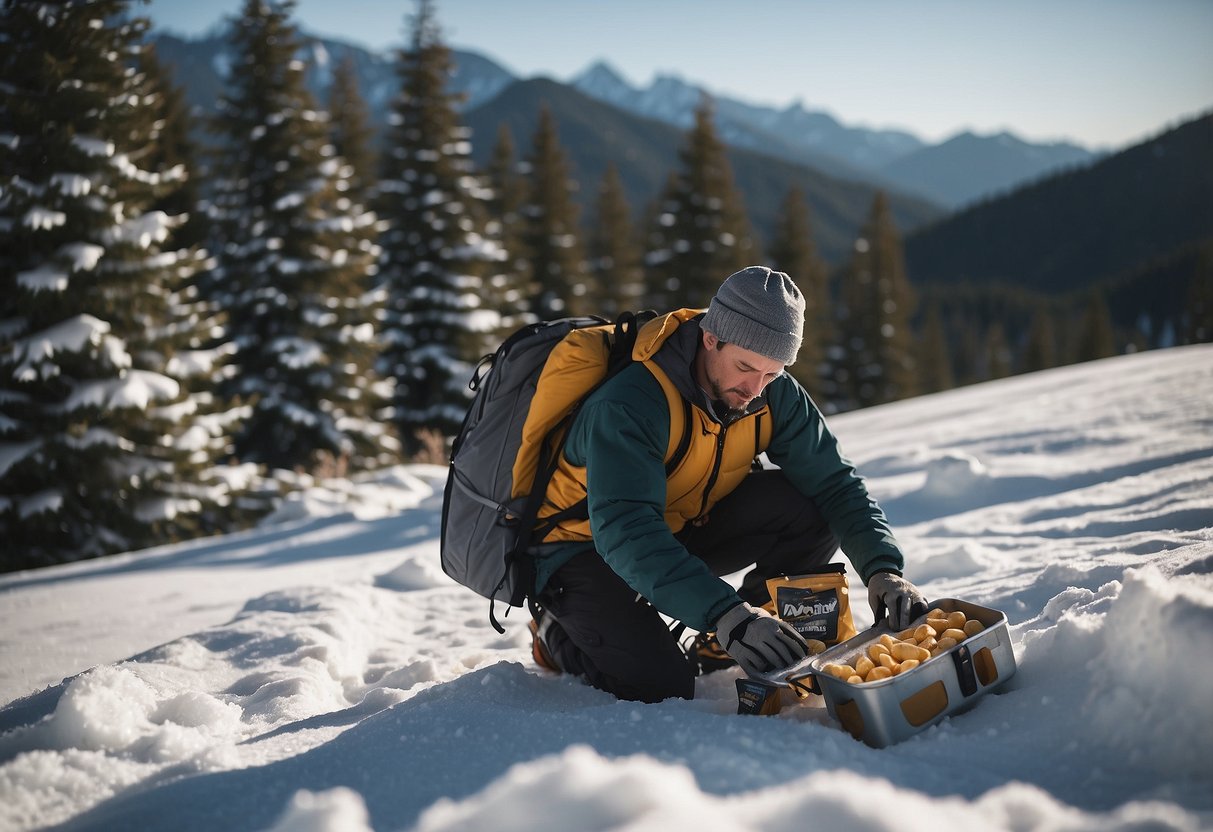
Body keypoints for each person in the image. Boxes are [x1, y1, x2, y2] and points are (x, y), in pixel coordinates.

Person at [527, 265, 926, 702]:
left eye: (772, 374)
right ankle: (553, 633)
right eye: (745, 367)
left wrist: (883, 567)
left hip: (678, 525)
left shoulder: (773, 393)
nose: (755, 389)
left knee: (809, 504)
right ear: (710, 337)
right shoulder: (631, 404)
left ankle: (731, 637)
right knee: (660, 685)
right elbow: (625, 529)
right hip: (581, 549)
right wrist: (725, 611)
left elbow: (835, 484)